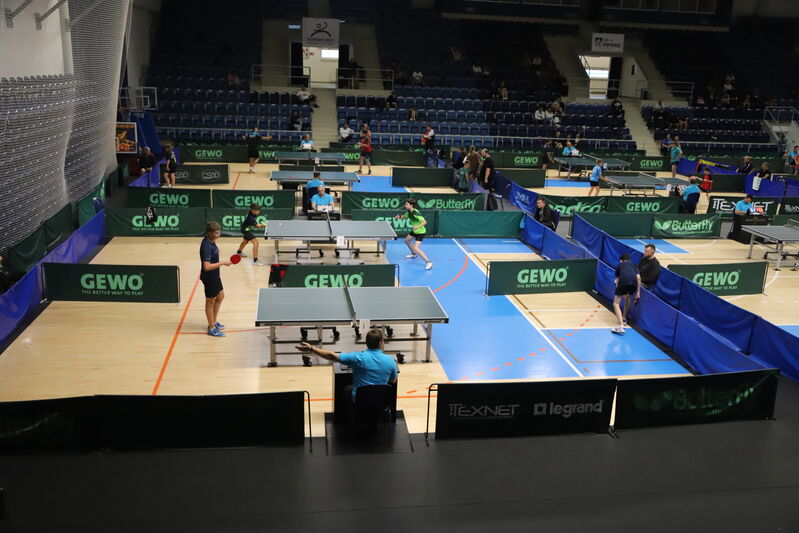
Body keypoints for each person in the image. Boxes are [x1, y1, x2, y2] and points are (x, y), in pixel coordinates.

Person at [294, 329, 397, 411]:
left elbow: (332, 356)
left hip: (360, 401)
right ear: (380, 343)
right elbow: (393, 381)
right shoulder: (390, 361)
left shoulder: (358, 357)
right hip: (381, 401)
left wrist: (311, 348)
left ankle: (347, 420)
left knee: (347, 389)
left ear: (366, 343)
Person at [200, 221, 231, 337]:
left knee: (220, 296)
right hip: (209, 277)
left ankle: (213, 321)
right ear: (209, 233)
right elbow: (207, 266)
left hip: (215, 275)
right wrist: (222, 262)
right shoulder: (207, 246)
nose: (219, 234)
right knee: (210, 301)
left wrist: (216, 253)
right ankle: (212, 328)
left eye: (219, 231)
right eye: (216, 232)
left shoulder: (211, 242)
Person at [394, 198, 432, 270]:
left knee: (416, 248)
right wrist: (398, 217)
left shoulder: (416, 213)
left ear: (411, 205)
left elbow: (424, 222)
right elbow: (404, 217)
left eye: (406, 204)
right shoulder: (409, 212)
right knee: (406, 240)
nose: (405, 205)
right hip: (415, 231)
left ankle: (428, 262)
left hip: (420, 232)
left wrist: (417, 226)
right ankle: (414, 254)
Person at [612, 254, 641, 335]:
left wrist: (618, 291)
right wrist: (638, 292)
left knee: (616, 303)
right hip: (633, 284)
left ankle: (621, 326)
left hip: (623, 282)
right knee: (628, 298)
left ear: (621, 260)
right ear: (629, 260)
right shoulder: (634, 265)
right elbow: (638, 278)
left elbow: (617, 281)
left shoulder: (619, 265)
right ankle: (624, 318)